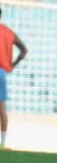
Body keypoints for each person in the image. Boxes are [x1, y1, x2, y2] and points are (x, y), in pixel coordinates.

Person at [0, 8, 27, 149]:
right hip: (2, 72)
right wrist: (12, 65)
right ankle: (3, 143)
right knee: (1, 109)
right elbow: (24, 49)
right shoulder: (8, 32)